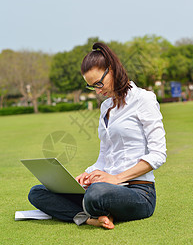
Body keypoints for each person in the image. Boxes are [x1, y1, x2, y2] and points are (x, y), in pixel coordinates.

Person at [28, 42, 167, 230]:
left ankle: (89, 208)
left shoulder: (144, 99)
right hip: (106, 186)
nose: (98, 91)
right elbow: (104, 157)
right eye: (91, 86)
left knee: (96, 194)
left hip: (139, 193)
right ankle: (89, 218)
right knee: (37, 192)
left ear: (113, 70)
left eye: (99, 84)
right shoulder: (105, 107)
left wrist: (116, 178)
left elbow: (158, 154)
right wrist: (87, 174)